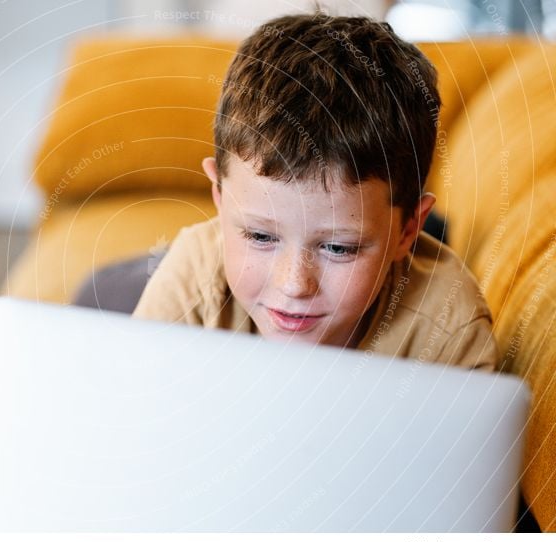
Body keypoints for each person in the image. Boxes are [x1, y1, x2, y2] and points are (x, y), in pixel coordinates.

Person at [132, 12, 497, 370]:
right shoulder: (191, 278)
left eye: (338, 248)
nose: (294, 285)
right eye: (260, 236)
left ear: (407, 230)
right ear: (219, 194)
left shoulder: (449, 332)